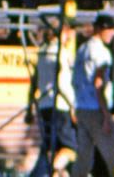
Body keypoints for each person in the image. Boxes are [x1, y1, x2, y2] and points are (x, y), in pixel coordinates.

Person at [70, 12, 114, 177]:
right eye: (110, 29)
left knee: (83, 161)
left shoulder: (81, 50)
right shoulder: (102, 53)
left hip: (82, 108)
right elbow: (99, 84)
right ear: (101, 30)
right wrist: (106, 115)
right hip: (97, 109)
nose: (113, 33)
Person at [29, 17, 78, 174]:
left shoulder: (41, 53)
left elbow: (34, 82)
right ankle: (51, 169)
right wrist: (73, 106)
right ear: (61, 32)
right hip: (60, 105)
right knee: (70, 148)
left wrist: (30, 107)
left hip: (44, 105)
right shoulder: (61, 53)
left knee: (50, 148)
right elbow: (62, 82)